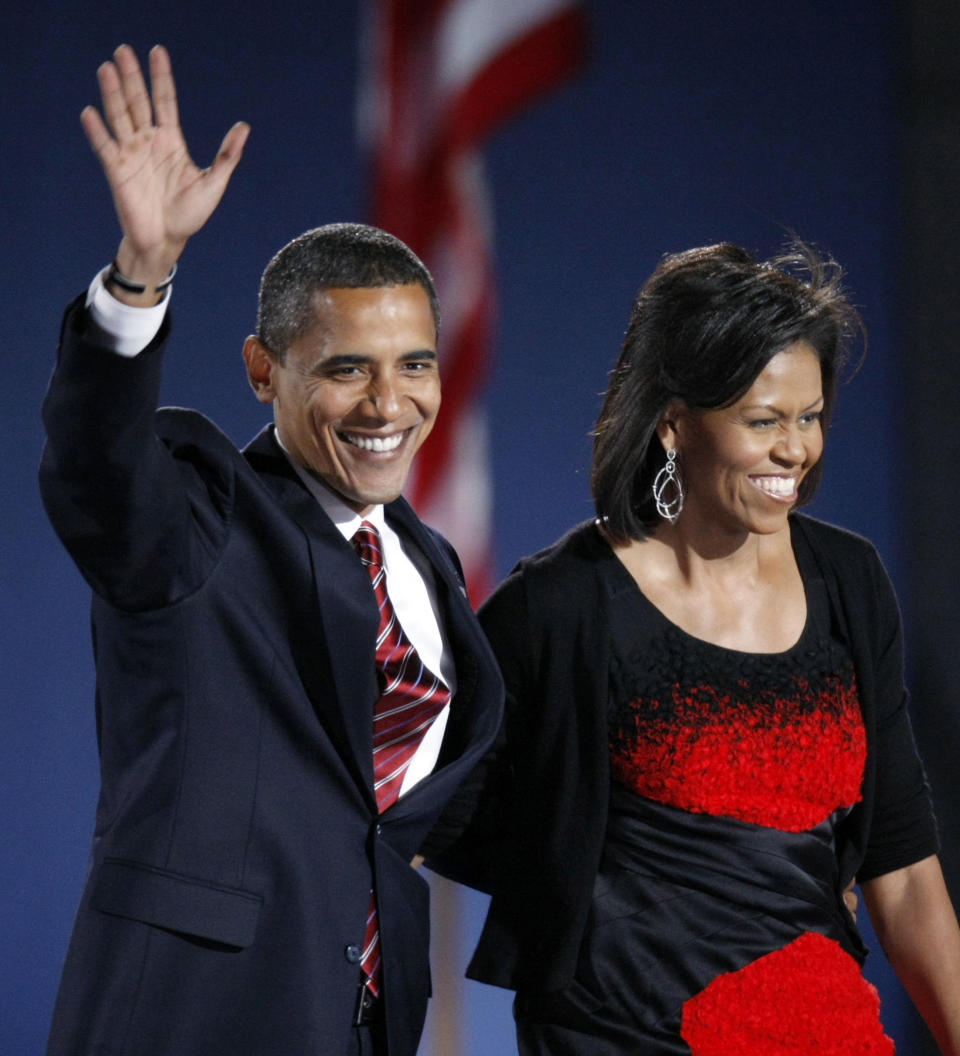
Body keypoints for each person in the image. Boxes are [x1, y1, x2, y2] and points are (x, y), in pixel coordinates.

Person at [39, 44, 502, 1056]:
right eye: (347, 369)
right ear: (263, 370)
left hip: (370, 1025)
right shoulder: (203, 519)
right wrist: (141, 276)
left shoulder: (427, 570)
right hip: (191, 1021)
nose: (392, 405)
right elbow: (95, 471)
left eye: (415, 363)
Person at [428, 243, 960, 1053]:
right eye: (763, 421)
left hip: (825, 1028)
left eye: (809, 417)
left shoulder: (848, 580)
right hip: (617, 1035)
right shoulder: (562, 608)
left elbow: (904, 867)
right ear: (676, 424)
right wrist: (584, 883)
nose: (796, 451)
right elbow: (435, 809)